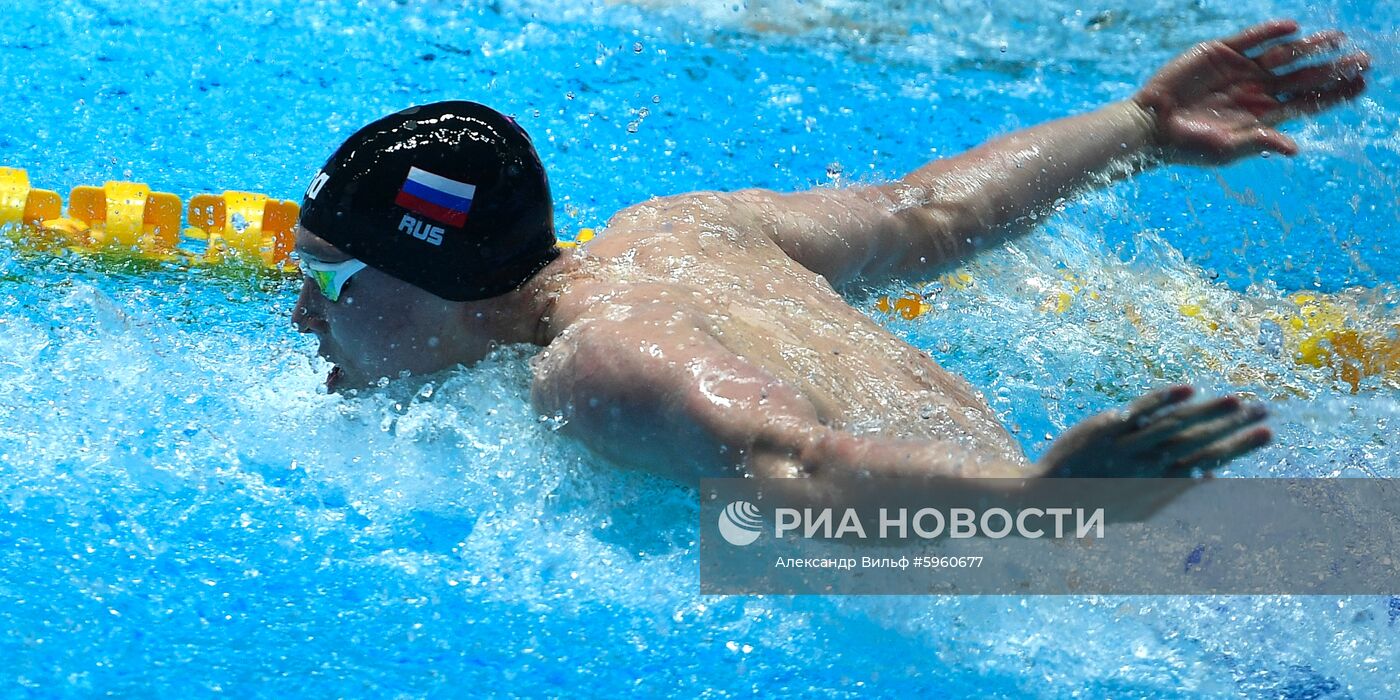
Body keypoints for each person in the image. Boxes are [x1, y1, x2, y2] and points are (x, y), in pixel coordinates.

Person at [291, 19, 1369, 487]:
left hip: (1051, 559)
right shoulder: (681, 232)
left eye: (329, 280)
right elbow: (926, 210)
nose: (300, 314)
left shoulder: (600, 367)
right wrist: (1133, 126)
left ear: (444, 277)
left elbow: (800, 469)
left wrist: (1037, 497)